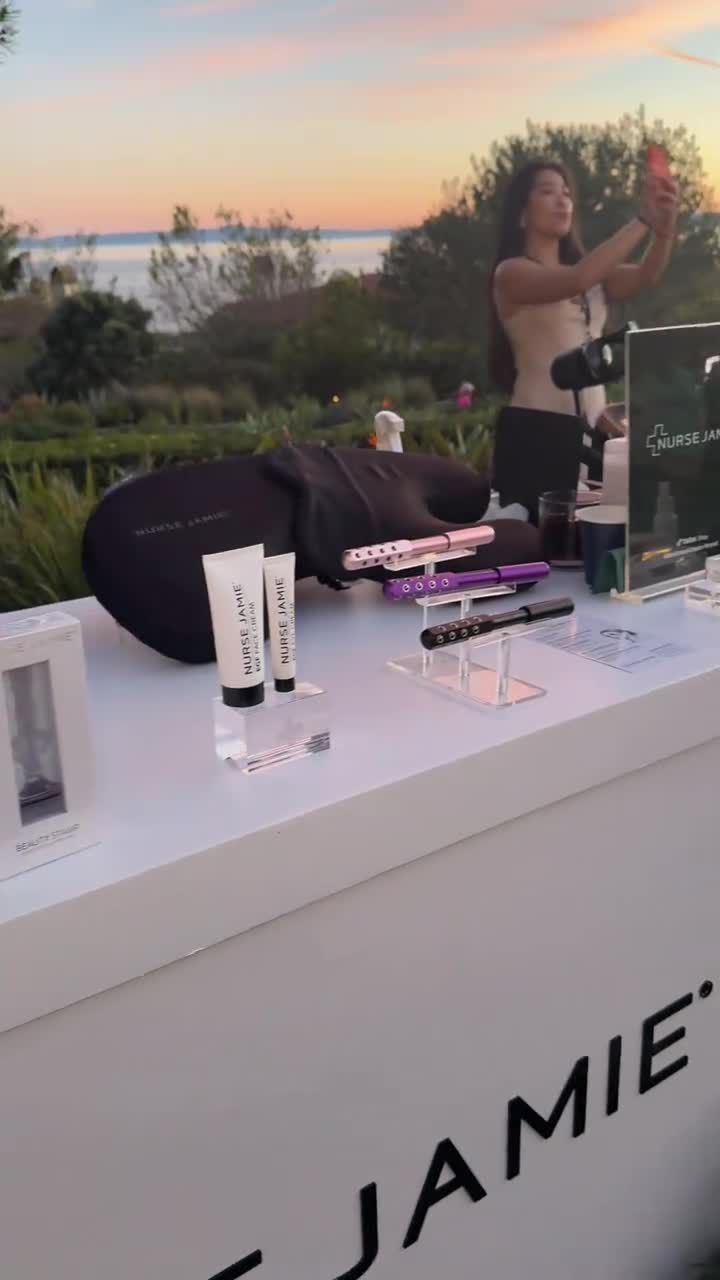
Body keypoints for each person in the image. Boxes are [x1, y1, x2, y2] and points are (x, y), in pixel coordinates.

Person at [488, 159, 679, 513]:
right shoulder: (512, 273)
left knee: (592, 535)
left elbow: (645, 275)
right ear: (521, 213)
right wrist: (643, 220)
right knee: (540, 538)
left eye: (566, 193)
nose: (562, 200)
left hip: (594, 433)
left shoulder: (591, 277)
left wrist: (665, 230)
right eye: (547, 191)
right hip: (537, 431)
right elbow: (577, 279)